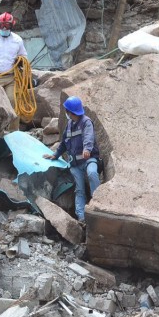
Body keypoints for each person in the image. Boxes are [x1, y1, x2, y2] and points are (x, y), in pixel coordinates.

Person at [43, 96, 100, 226]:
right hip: (75, 164)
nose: (66, 114)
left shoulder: (86, 122)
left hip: (89, 159)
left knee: (92, 173)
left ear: (70, 112)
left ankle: (97, 205)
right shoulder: (69, 125)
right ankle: (81, 218)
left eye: (67, 111)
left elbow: (88, 136)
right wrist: (55, 155)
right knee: (79, 190)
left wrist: (87, 148)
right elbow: (64, 143)